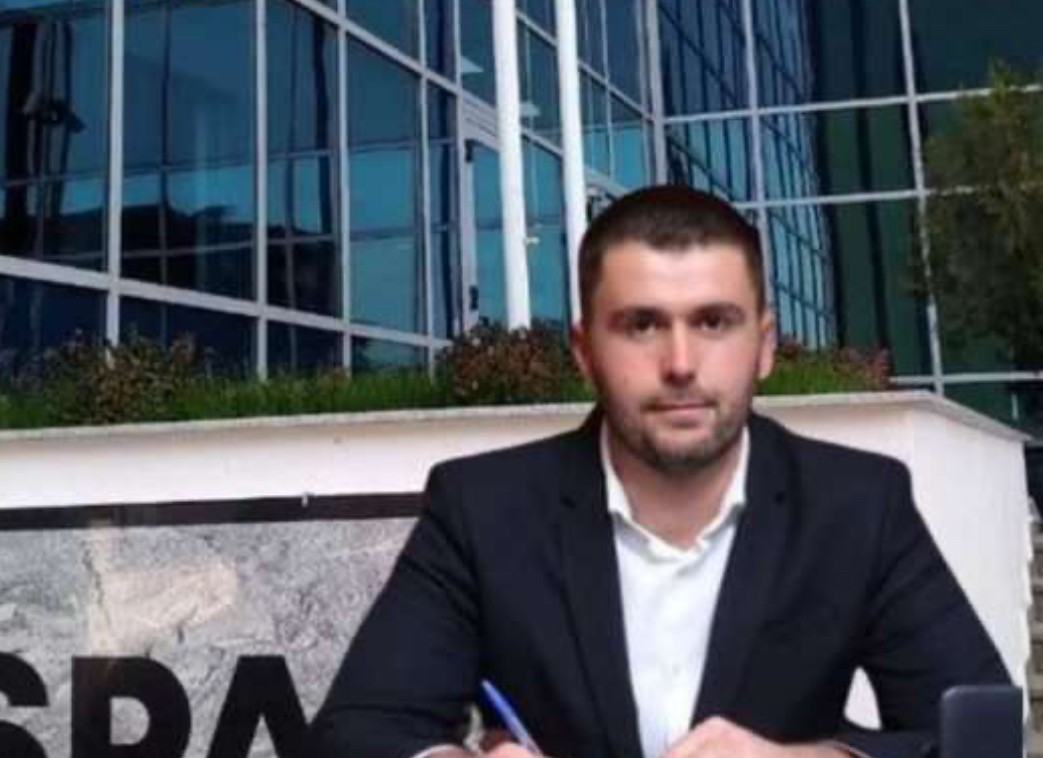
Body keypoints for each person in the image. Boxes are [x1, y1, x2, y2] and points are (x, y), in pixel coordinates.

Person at [307, 185, 1010, 758]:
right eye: (642, 325)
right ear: (585, 352)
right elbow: (356, 733)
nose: (679, 363)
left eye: (714, 322)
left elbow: (983, 736)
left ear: (765, 344)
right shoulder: (483, 509)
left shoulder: (858, 504)